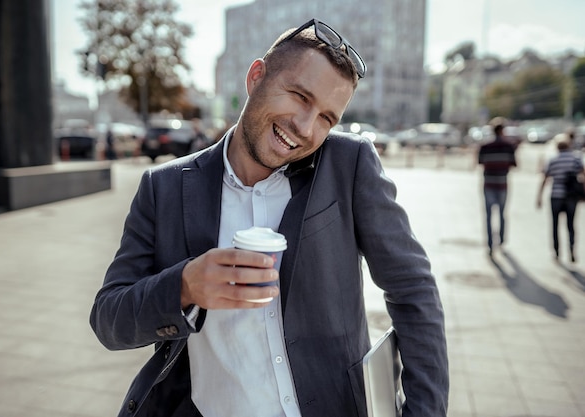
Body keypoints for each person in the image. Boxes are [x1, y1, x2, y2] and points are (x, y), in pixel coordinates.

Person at [90, 18, 448, 417]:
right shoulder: (165, 188)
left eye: (327, 117)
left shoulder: (349, 166)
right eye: (298, 96)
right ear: (256, 76)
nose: (305, 127)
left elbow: (414, 291)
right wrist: (185, 287)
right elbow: (109, 319)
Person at [536, 135, 585, 262]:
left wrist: (539, 196)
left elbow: (545, 178)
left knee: (555, 225)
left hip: (556, 196)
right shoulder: (576, 159)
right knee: (571, 225)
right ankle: (572, 250)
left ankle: (557, 252)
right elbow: (583, 175)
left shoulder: (553, 160)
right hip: (571, 197)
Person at [478, 119, 518, 256]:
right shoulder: (509, 146)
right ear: (502, 131)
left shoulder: (485, 146)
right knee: (502, 213)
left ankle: (490, 243)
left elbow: (480, 162)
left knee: (488, 215)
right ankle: (500, 241)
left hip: (488, 183)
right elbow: (514, 164)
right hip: (502, 183)